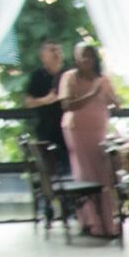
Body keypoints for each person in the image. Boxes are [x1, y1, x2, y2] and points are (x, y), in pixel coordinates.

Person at [58, 42, 119, 238]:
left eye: (90, 55)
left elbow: (113, 102)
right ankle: (91, 221)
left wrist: (113, 100)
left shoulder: (102, 79)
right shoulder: (69, 77)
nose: (86, 60)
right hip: (77, 130)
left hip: (99, 129)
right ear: (76, 58)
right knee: (87, 173)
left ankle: (107, 222)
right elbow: (67, 105)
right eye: (82, 55)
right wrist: (91, 93)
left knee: (104, 174)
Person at [23, 39, 69, 188]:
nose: (56, 53)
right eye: (52, 50)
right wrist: (46, 100)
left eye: (58, 50)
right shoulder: (38, 76)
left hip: (68, 130)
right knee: (49, 171)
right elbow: (28, 102)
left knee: (69, 170)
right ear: (43, 56)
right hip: (46, 130)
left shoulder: (68, 74)